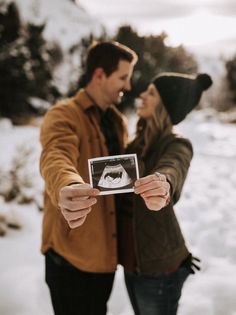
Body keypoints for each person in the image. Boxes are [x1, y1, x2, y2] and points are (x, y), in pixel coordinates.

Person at [39, 41, 170, 315]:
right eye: (123, 77)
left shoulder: (117, 120)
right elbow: (56, 154)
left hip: (105, 257)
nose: (129, 86)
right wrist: (69, 184)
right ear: (99, 75)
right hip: (70, 260)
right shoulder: (64, 114)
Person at [117, 72, 213, 315]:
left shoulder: (175, 143)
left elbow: (174, 165)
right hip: (132, 263)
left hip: (160, 270)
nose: (142, 96)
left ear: (165, 104)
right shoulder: (135, 144)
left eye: (151, 93)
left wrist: (164, 181)